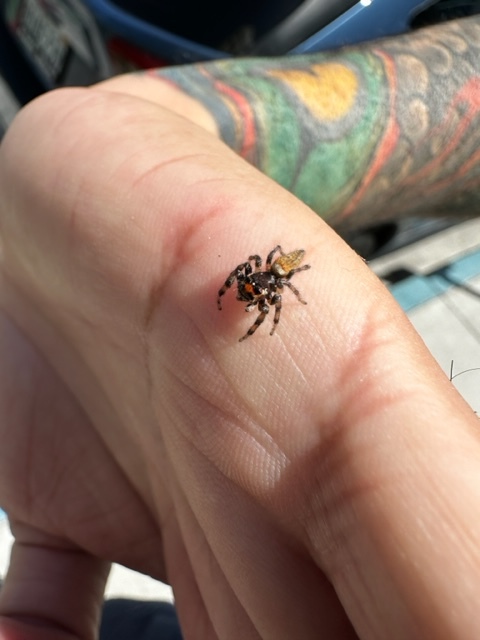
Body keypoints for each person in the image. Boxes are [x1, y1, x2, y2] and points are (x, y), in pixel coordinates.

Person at [0, 14, 479, 640]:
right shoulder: (255, 276)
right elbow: (248, 278)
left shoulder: (272, 279)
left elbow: (267, 285)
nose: (261, 284)